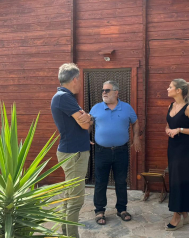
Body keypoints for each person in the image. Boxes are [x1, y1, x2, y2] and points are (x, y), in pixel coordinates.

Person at [82, 80, 141, 225]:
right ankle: (99, 211)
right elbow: (89, 124)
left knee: (121, 181)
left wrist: (136, 138)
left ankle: (122, 209)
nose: (104, 92)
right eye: (103, 90)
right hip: (102, 151)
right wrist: (84, 139)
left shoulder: (126, 108)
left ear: (116, 92)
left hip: (121, 150)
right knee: (100, 182)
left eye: (107, 90)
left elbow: (135, 121)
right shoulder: (96, 108)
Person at [50, 63, 93, 237]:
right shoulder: (63, 97)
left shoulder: (64, 97)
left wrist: (85, 120)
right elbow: (84, 124)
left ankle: (66, 233)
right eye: (80, 79)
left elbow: (82, 124)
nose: (81, 83)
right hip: (74, 154)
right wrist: (88, 118)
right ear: (74, 79)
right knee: (75, 200)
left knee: (69, 196)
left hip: (74, 150)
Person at [165, 78, 189, 231]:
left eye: (170, 86)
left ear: (178, 90)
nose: (167, 89)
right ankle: (185, 212)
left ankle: (177, 215)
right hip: (172, 146)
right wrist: (168, 130)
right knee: (175, 177)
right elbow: (168, 125)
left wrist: (179, 130)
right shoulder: (171, 105)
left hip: (184, 148)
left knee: (180, 179)